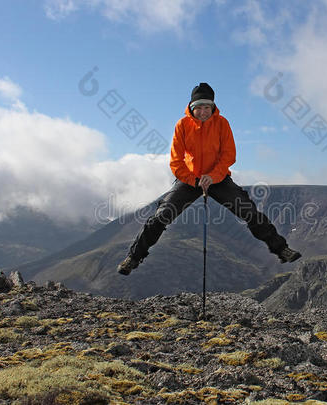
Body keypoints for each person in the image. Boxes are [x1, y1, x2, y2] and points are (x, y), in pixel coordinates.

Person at [117, 83, 301, 275]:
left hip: (218, 178)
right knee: (161, 216)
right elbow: (176, 162)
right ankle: (134, 257)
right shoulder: (182, 125)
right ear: (191, 107)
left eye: (207, 107)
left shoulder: (222, 123)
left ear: (213, 107)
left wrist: (212, 177)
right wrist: (195, 181)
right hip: (190, 179)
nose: (203, 111)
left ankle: (281, 249)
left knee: (248, 211)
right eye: (199, 107)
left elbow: (229, 155)